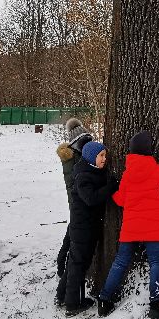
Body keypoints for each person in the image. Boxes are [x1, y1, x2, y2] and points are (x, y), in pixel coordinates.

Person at [96, 130, 159, 319]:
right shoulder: (158, 171)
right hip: (153, 229)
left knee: (120, 262)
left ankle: (104, 299)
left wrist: (112, 190)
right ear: (149, 150)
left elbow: (121, 200)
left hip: (130, 228)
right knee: (156, 263)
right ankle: (156, 306)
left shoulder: (128, 173)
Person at [58, 141, 118, 316]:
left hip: (86, 226)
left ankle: (62, 295)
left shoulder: (91, 170)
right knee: (79, 264)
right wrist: (111, 187)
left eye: (105, 155)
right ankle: (73, 304)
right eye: (101, 156)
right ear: (92, 157)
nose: (105, 159)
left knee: (75, 263)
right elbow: (90, 198)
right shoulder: (83, 176)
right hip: (82, 228)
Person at [55, 118, 93, 305]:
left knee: (71, 240)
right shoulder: (75, 159)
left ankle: (61, 272)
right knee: (75, 249)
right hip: (79, 207)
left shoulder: (70, 156)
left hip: (75, 206)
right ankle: (68, 292)